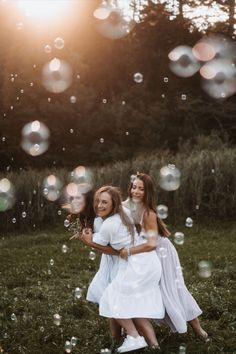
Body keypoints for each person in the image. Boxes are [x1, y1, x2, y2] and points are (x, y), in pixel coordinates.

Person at [120, 173, 209, 341]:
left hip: (161, 253)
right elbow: (111, 206)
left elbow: (152, 244)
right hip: (143, 254)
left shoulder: (149, 214)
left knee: (172, 290)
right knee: (138, 289)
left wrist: (129, 252)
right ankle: (130, 330)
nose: (136, 191)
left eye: (141, 189)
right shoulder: (126, 205)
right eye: (134, 187)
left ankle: (199, 331)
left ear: (148, 193)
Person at [81, 186, 165, 353]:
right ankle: (153, 346)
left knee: (110, 300)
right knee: (132, 306)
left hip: (136, 265)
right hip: (147, 262)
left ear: (114, 204)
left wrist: (87, 240)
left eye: (104, 202)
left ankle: (134, 337)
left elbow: (102, 243)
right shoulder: (124, 212)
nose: (99, 205)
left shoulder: (109, 225)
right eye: (97, 201)